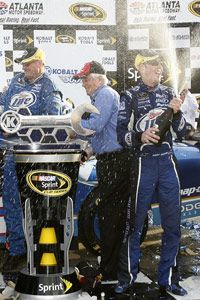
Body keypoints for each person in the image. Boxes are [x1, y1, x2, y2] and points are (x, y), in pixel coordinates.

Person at [115, 50, 187, 298]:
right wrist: (139, 137)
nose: (158, 68)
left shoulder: (169, 93)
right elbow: (120, 134)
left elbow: (183, 130)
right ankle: (127, 278)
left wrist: (177, 113)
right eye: (153, 65)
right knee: (134, 225)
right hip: (143, 163)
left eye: (160, 64)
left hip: (167, 163)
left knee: (172, 225)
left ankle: (169, 278)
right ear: (142, 68)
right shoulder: (130, 96)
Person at [0, 47, 63, 274]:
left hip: (35, 155)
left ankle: (39, 252)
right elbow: (3, 108)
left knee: (38, 206)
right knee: (12, 202)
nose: (24, 68)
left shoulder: (49, 86)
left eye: (28, 64)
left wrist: (22, 126)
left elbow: (52, 120)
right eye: (23, 64)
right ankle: (17, 251)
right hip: (11, 153)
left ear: (39, 63)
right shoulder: (16, 81)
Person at [73, 61, 132, 280]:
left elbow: (94, 126)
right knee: (110, 216)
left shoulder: (106, 94)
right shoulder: (99, 97)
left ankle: (111, 271)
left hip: (117, 161)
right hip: (110, 161)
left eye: (86, 79)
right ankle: (110, 267)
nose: (83, 84)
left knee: (112, 217)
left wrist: (74, 129)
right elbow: (101, 134)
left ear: (98, 78)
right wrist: (87, 152)